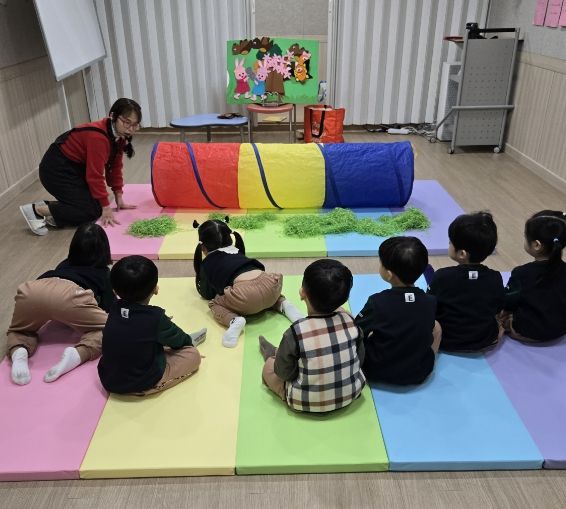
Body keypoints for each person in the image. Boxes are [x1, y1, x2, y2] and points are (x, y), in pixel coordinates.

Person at [7, 223, 114, 385]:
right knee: (112, 328)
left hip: (33, 290)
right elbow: (110, 306)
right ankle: (78, 354)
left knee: (20, 330)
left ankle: (19, 351)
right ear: (104, 250)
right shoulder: (103, 272)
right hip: (71, 295)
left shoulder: (64, 263)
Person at [20, 98, 142, 235]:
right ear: (113, 116)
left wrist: (118, 196)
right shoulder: (98, 137)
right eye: (127, 122)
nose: (131, 129)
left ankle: (53, 210)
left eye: (135, 125)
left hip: (75, 169)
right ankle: (36, 210)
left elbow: (114, 166)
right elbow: (94, 176)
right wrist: (106, 207)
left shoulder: (119, 135)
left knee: (96, 207)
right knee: (91, 211)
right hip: (56, 170)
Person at [259, 259, 366, 413]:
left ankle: (274, 355)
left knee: (269, 367)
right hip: (352, 393)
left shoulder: (295, 332)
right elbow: (360, 358)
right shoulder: (352, 323)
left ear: (302, 292)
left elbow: (283, 373)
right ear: (345, 298)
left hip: (304, 401)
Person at [98, 255, 206, 395]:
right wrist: (187, 343)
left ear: (114, 290)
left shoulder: (114, 308)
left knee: (146, 339)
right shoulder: (155, 317)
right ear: (155, 289)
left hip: (108, 377)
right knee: (193, 355)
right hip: (139, 383)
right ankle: (150, 388)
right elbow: (179, 339)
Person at [193, 219, 304, 348]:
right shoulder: (237, 251)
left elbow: (207, 294)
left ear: (203, 247)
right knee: (265, 293)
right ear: (230, 239)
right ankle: (283, 304)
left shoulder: (207, 263)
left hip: (246, 296)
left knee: (214, 303)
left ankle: (234, 320)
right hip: (271, 285)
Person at [355, 236, 441, 385]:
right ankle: (428, 362)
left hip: (375, 371)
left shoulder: (377, 302)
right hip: (419, 373)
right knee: (437, 327)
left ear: (389, 274)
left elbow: (357, 330)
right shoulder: (430, 301)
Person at [427, 212, 505, 352]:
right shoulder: (495, 277)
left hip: (447, 339)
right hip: (485, 340)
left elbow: (430, 306)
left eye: (450, 242)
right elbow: (498, 307)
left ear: (462, 254)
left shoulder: (443, 276)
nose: (449, 244)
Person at [500, 210, 566, 343]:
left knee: (501, 315)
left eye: (525, 237)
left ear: (536, 245)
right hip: (560, 330)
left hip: (530, 331)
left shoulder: (522, 273)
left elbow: (509, 301)